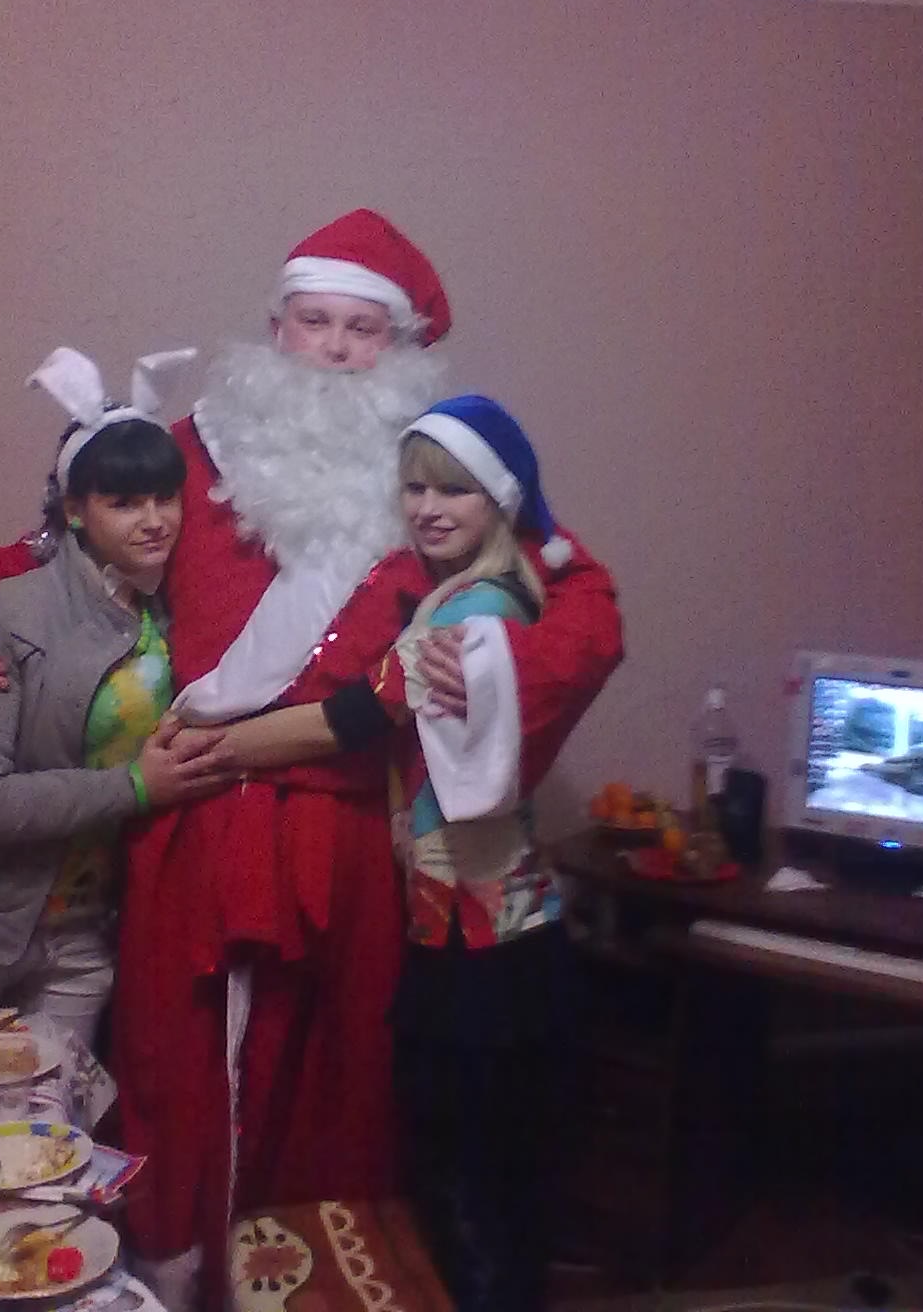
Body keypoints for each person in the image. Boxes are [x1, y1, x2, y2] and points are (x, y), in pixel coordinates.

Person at [0, 210, 623, 1310]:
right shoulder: (189, 451)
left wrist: (499, 665)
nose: (334, 348)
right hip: (190, 828)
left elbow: (580, 597)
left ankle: (315, 1284)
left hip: (352, 842)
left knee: (335, 1087)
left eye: (364, 329)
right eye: (314, 321)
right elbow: (43, 549)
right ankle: (174, 1281)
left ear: (402, 347)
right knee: (176, 1076)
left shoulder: (438, 476)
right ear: (276, 328)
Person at [197, 395, 591, 1310]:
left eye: (453, 490)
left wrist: (209, 745)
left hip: (486, 945)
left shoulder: (473, 610)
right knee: (479, 1181)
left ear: (498, 499)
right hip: (477, 928)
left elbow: (350, 717)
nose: (428, 507)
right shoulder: (473, 593)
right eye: (414, 488)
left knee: (471, 1187)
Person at [0, 348, 228, 1044]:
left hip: (81, 944)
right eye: (123, 503)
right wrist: (135, 786)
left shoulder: (179, 612)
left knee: (50, 1117)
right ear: (75, 510)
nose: (153, 520)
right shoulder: (10, 614)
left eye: (165, 498)